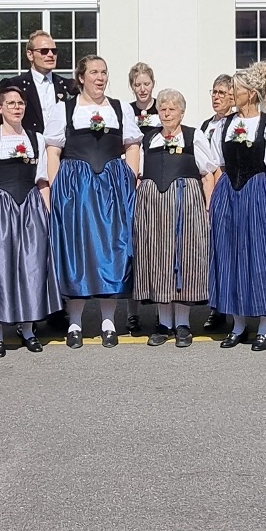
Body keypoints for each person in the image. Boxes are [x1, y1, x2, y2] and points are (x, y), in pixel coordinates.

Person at [45, 54, 142, 348]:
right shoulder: (64, 109)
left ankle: (108, 322)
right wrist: (56, 190)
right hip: (77, 188)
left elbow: (132, 144)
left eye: (104, 72)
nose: (100, 78)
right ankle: (74, 322)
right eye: (94, 72)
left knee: (112, 250)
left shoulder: (119, 108)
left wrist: (130, 178)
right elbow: (53, 152)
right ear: (81, 77)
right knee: (78, 251)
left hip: (112, 187)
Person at [0, 85, 61, 356]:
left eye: (20, 103)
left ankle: (27, 328)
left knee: (31, 265)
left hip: (30, 205)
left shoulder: (36, 138)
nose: (16, 107)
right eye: (10, 103)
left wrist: (47, 213)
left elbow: (43, 180)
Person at [209, 61, 266, 352]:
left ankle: (264, 326)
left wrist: (263, 196)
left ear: (251, 94)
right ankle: (238, 324)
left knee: (258, 257)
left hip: (256, 190)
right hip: (229, 191)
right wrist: (220, 195)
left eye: (236, 89)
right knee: (229, 254)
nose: (231, 93)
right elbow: (217, 162)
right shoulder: (226, 124)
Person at [133, 89, 218, 348]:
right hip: (154, 208)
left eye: (172, 108)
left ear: (182, 111)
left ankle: (182, 324)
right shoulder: (149, 139)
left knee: (184, 257)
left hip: (186, 204)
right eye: (162, 108)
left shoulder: (194, 136)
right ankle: (163, 323)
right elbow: (140, 174)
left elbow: (208, 174)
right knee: (158, 258)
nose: (166, 113)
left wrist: (207, 208)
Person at [125, 61, 160, 335]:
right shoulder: (126, 111)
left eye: (146, 83)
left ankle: (162, 308)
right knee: (134, 245)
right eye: (137, 84)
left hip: (157, 180)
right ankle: (132, 311)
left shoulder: (165, 109)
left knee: (158, 245)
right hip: (133, 182)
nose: (142, 89)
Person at [201, 74, 234, 333]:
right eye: (214, 92)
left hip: (226, 185)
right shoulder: (206, 125)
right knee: (215, 249)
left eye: (222, 93)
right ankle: (217, 306)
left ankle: (230, 305)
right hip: (208, 187)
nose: (216, 97)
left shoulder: (235, 124)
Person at [0, 30, 77, 134]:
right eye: (44, 51)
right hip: (27, 145)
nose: (51, 55)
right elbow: (1, 119)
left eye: (54, 51)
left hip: (63, 147)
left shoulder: (69, 86)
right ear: (30, 55)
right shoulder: (14, 85)